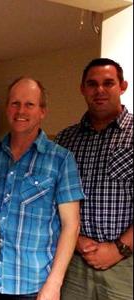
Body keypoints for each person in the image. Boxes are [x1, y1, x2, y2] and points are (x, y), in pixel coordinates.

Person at [0, 77, 84, 300]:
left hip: (33, 286)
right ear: (7, 108)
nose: (21, 111)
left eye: (29, 104)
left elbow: (71, 225)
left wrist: (54, 284)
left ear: (42, 111)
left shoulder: (61, 159)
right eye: (15, 103)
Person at [55, 58, 133, 300]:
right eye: (92, 84)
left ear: (123, 86)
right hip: (74, 262)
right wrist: (75, 239)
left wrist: (118, 249)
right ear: (82, 89)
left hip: (125, 265)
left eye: (108, 83)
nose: (99, 90)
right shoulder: (66, 140)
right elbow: (51, 200)